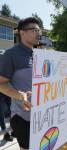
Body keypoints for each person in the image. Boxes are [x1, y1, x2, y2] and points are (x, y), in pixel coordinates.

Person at [0, 17, 41, 150]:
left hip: (41, 114)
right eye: (34, 30)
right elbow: (1, 84)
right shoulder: (10, 55)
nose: (38, 33)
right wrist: (20, 96)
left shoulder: (38, 55)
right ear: (22, 32)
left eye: (39, 30)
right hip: (22, 117)